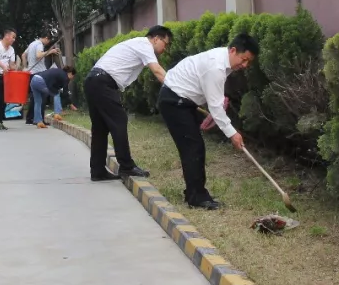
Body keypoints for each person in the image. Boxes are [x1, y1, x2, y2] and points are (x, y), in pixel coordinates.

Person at [157, 33, 260, 210]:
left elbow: (213, 100)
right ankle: (196, 197)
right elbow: (216, 108)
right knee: (193, 147)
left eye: (248, 62)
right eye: (244, 59)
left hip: (182, 99)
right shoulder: (216, 67)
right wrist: (232, 134)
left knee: (194, 146)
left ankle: (194, 192)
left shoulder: (223, 60)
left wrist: (215, 107)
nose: (244, 65)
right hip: (174, 101)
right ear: (233, 50)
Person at [83, 25, 172, 181]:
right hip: (103, 82)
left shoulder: (137, 44)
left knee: (100, 128)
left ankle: (98, 171)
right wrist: (176, 87)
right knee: (119, 121)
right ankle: (127, 166)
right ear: (156, 39)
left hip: (93, 81)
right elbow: (157, 71)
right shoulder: (145, 45)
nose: (165, 48)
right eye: (165, 43)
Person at [22, 31, 58, 124]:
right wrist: (50, 51)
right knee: (42, 97)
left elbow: (23, 55)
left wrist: (25, 67)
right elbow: (39, 55)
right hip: (39, 74)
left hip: (31, 73)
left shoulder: (32, 44)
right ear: (46, 38)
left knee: (34, 97)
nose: (47, 43)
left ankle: (30, 118)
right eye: (48, 41)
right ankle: (39, 119)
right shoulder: (39, 44)